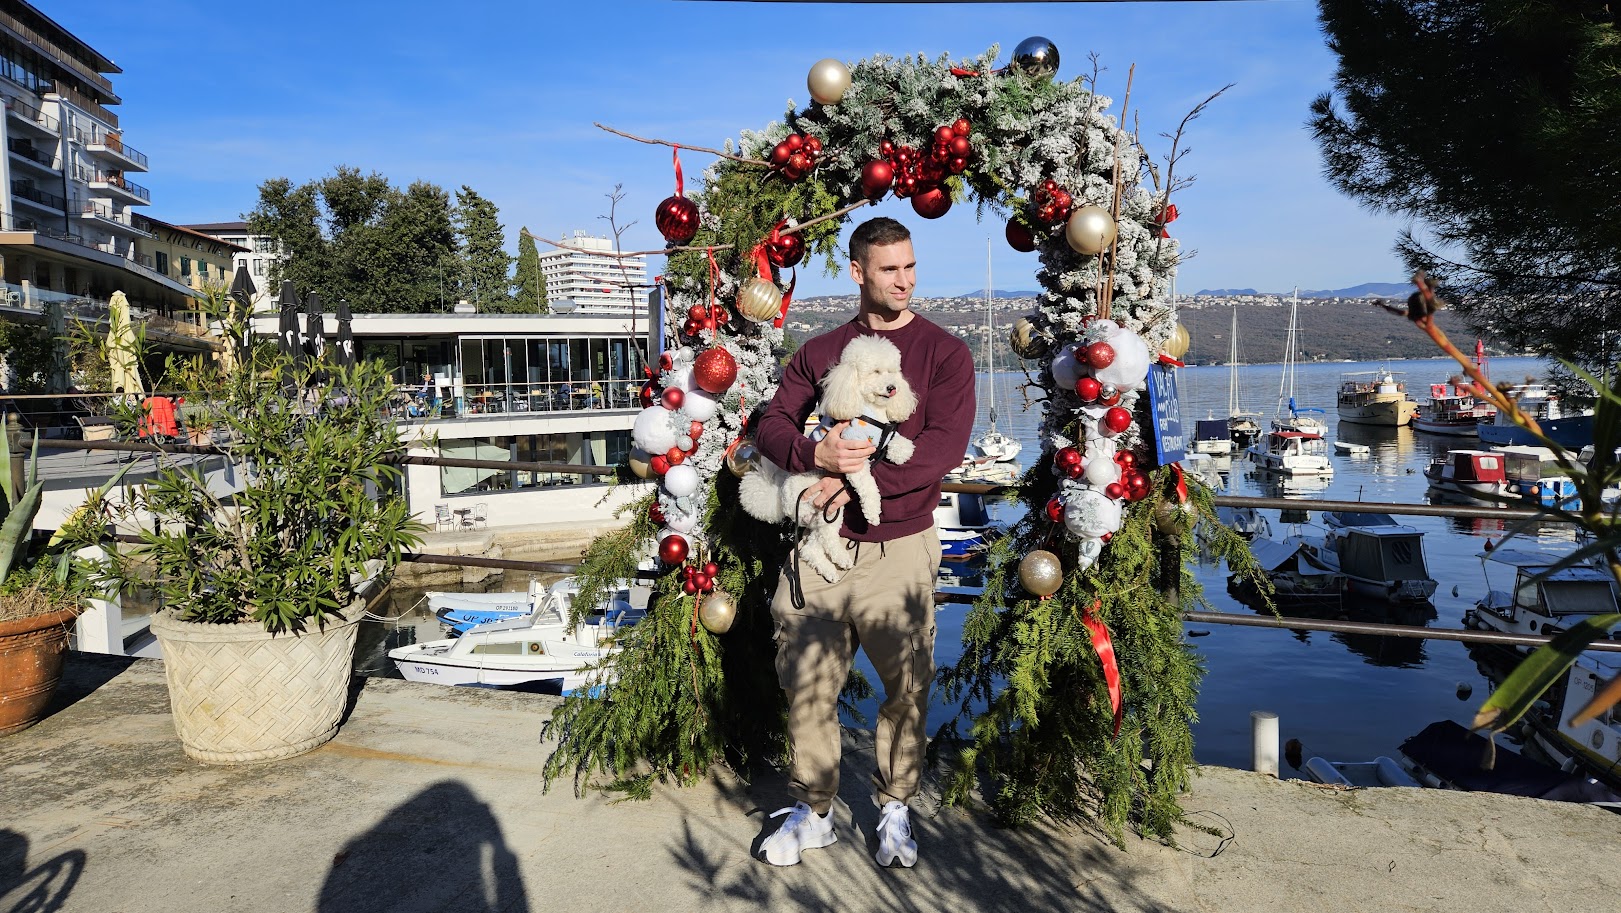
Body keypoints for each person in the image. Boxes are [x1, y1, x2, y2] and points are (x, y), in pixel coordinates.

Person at [753, 217, 974, 868]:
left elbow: (939, 450)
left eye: (909, 266)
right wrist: (809, 449)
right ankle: (813, 808)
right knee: (806, 680)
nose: (903, 280)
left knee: (906, 685)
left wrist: (851, 483)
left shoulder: (945, 354)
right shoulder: (820, 351)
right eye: (888, 269)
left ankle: (894, 806)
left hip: (899, 544)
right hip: (819, 546)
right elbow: (770, 424)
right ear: (857, 272)